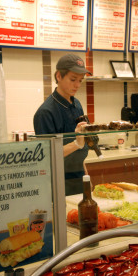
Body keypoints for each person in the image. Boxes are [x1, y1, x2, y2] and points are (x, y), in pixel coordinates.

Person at [33, 54, 91, 196]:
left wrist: (87, 178)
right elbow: (47, 155)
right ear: (59, 76)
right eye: (73, 79)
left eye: (80, 80)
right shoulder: (45, 113)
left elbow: (82, 145)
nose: (77, 85)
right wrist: (76, 143)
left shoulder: (76, 104)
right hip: (58, 183)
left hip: (79, 179)